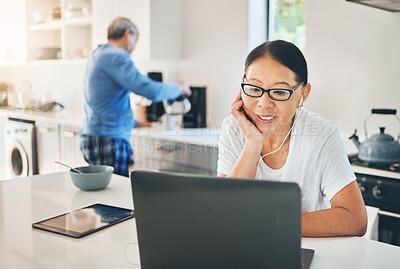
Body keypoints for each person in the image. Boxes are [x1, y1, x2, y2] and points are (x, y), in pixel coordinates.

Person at [217, 40, 367, 237]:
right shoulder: (233, 128)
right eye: (254, 88)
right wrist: (254, 142)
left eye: (279, 92)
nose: (263, 103)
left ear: (302, 94)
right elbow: (225, 212)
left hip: (302, 249)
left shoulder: (320, 134)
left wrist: (273, 221)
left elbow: (355, 219)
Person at [80, 17, 191, 177]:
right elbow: (150, 90)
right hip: (109, 139)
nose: (133, 48)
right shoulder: (116, 56)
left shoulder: (97, 54)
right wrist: (179, 88)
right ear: (128, 34)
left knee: (105, 194)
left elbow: (105, 99)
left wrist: (134, 123)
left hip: (94, 135)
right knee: (114, 198)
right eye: (135, 41)